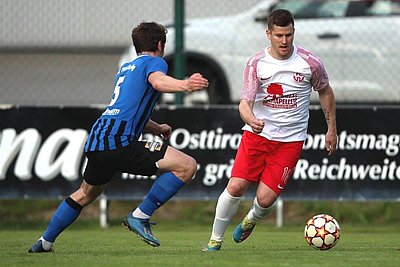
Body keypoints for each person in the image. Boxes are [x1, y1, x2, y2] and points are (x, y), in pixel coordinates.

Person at [28, 21, 209, 253]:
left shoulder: (125, 68)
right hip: (119, 140)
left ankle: (44, 242)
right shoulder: (156, 62)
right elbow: (158, 81)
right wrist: (185, 84)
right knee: (187, 166)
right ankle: (140, 216)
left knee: (85, 193)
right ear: (160, 44)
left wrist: (156, 128)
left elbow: (126, 109)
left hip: (98, 139)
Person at [202, 9, 337, 252]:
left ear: (294, 32)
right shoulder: (256, 63)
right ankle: (214, 240)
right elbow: (245, 103)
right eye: (279, 36)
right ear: (268, 34)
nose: (284, 41)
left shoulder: (310, 63)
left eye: (288, 35)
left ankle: (251, 218)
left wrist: (331, 130)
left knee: (265, 199)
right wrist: (251, 119)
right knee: (235, 187)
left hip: (290, 141)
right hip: (257, 136)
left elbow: (325, 91)